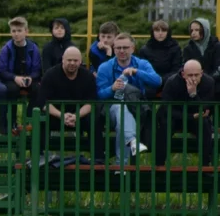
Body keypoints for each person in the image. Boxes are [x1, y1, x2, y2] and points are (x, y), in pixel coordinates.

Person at [96, 33, 162, 167]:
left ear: (132, 48)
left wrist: (137, 72)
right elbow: (99, 95)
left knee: (123, 123)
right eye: (118, 48)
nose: (121, 51)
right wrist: (112, 88)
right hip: (110, 110)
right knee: (121, 109)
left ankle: (122, 167)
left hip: (138, 109)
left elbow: (158, 81)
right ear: (113, 49)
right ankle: (126, 157)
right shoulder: (105, 67)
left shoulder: (142, 64)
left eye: (125, 47)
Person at [154, 60, 214, 168]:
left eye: (196, 75)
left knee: (205, 124)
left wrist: (193, 95)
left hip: (197, 117)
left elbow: (205, 108)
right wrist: (189, 116)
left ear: (202, 73)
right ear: (183, 74)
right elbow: (167, 108)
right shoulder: (172, 82)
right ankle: (159, 165)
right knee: (165, 125)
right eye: (190, 75)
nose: (193, 78)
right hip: (175, 117)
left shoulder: (209, 82)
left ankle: (206, 165)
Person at [40, 46, 94, 158]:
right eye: (69, 60)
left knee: (94, 120)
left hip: (80, 117)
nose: (72, 63)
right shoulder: (50, 74)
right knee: (41, 120)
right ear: (63, 59)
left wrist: (76, 116)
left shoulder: (88, 76)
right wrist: (62, 116)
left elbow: (91, 103)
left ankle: (97, 158)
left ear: (80, 61)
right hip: (55, 115)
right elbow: (43, 103)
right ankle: (39, 157)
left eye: (75, 60)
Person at [0, 16, 43, 131]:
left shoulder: (33, 48)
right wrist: (14, 77)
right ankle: (11, 122)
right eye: (13, 31)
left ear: (26, 32)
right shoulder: (6, 48)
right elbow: (2, 70)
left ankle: (30, 119)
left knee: (38, 89)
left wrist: (31, 77)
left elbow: (37, 69)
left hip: (28, 78)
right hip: (11, 79)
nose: (16, 34)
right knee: (12, 90)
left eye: (19, 31)